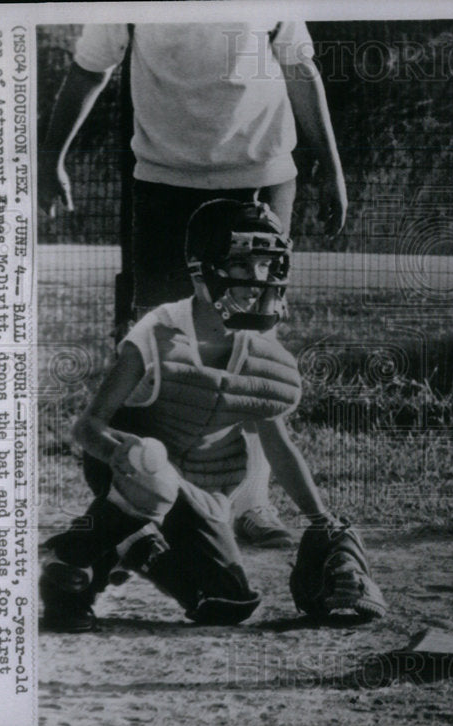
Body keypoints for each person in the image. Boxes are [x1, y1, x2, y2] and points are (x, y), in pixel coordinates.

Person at [38, 21, 348, 546]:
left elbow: (298, 67)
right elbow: (91, 66)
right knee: (166, 352)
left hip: (259, 174)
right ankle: (161, 501)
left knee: (252, 350)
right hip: (164, 180)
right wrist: (51, 156)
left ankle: (252, 504)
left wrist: (333, 168)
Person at [39, 199, 387, 633]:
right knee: (154, 473)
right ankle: (72, 568)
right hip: (128, 469)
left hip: (196, 491)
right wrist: (120, 455)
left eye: (267, 265)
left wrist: (321, 520)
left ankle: (140, 545)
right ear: (202, 271)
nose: (257, 280)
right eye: (242, 266)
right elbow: (87, 428)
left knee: (228, 603)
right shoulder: (158, 332)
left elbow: (279, 448)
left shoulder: (259, 353)